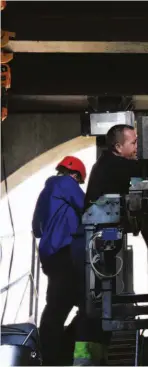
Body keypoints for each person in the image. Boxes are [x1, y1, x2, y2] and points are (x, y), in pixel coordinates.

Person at [32, 156, 86, 366]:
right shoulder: (65, 183)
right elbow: (86, 205)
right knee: (83, 307)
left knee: (59, 302)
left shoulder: (45, 193)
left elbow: (36, 229)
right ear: (74, 175)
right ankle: (57, 356)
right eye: (78, 180)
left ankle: (55, 353)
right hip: (65, 252)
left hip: (50, 256)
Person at [85, 123, 148, 241]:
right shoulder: (113, 165)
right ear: (118, 147)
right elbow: (140, 167)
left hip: (102, 231)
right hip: (101, 233)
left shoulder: (106, 162)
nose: (137, 147)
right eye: (133, 143)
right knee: (105, 255)